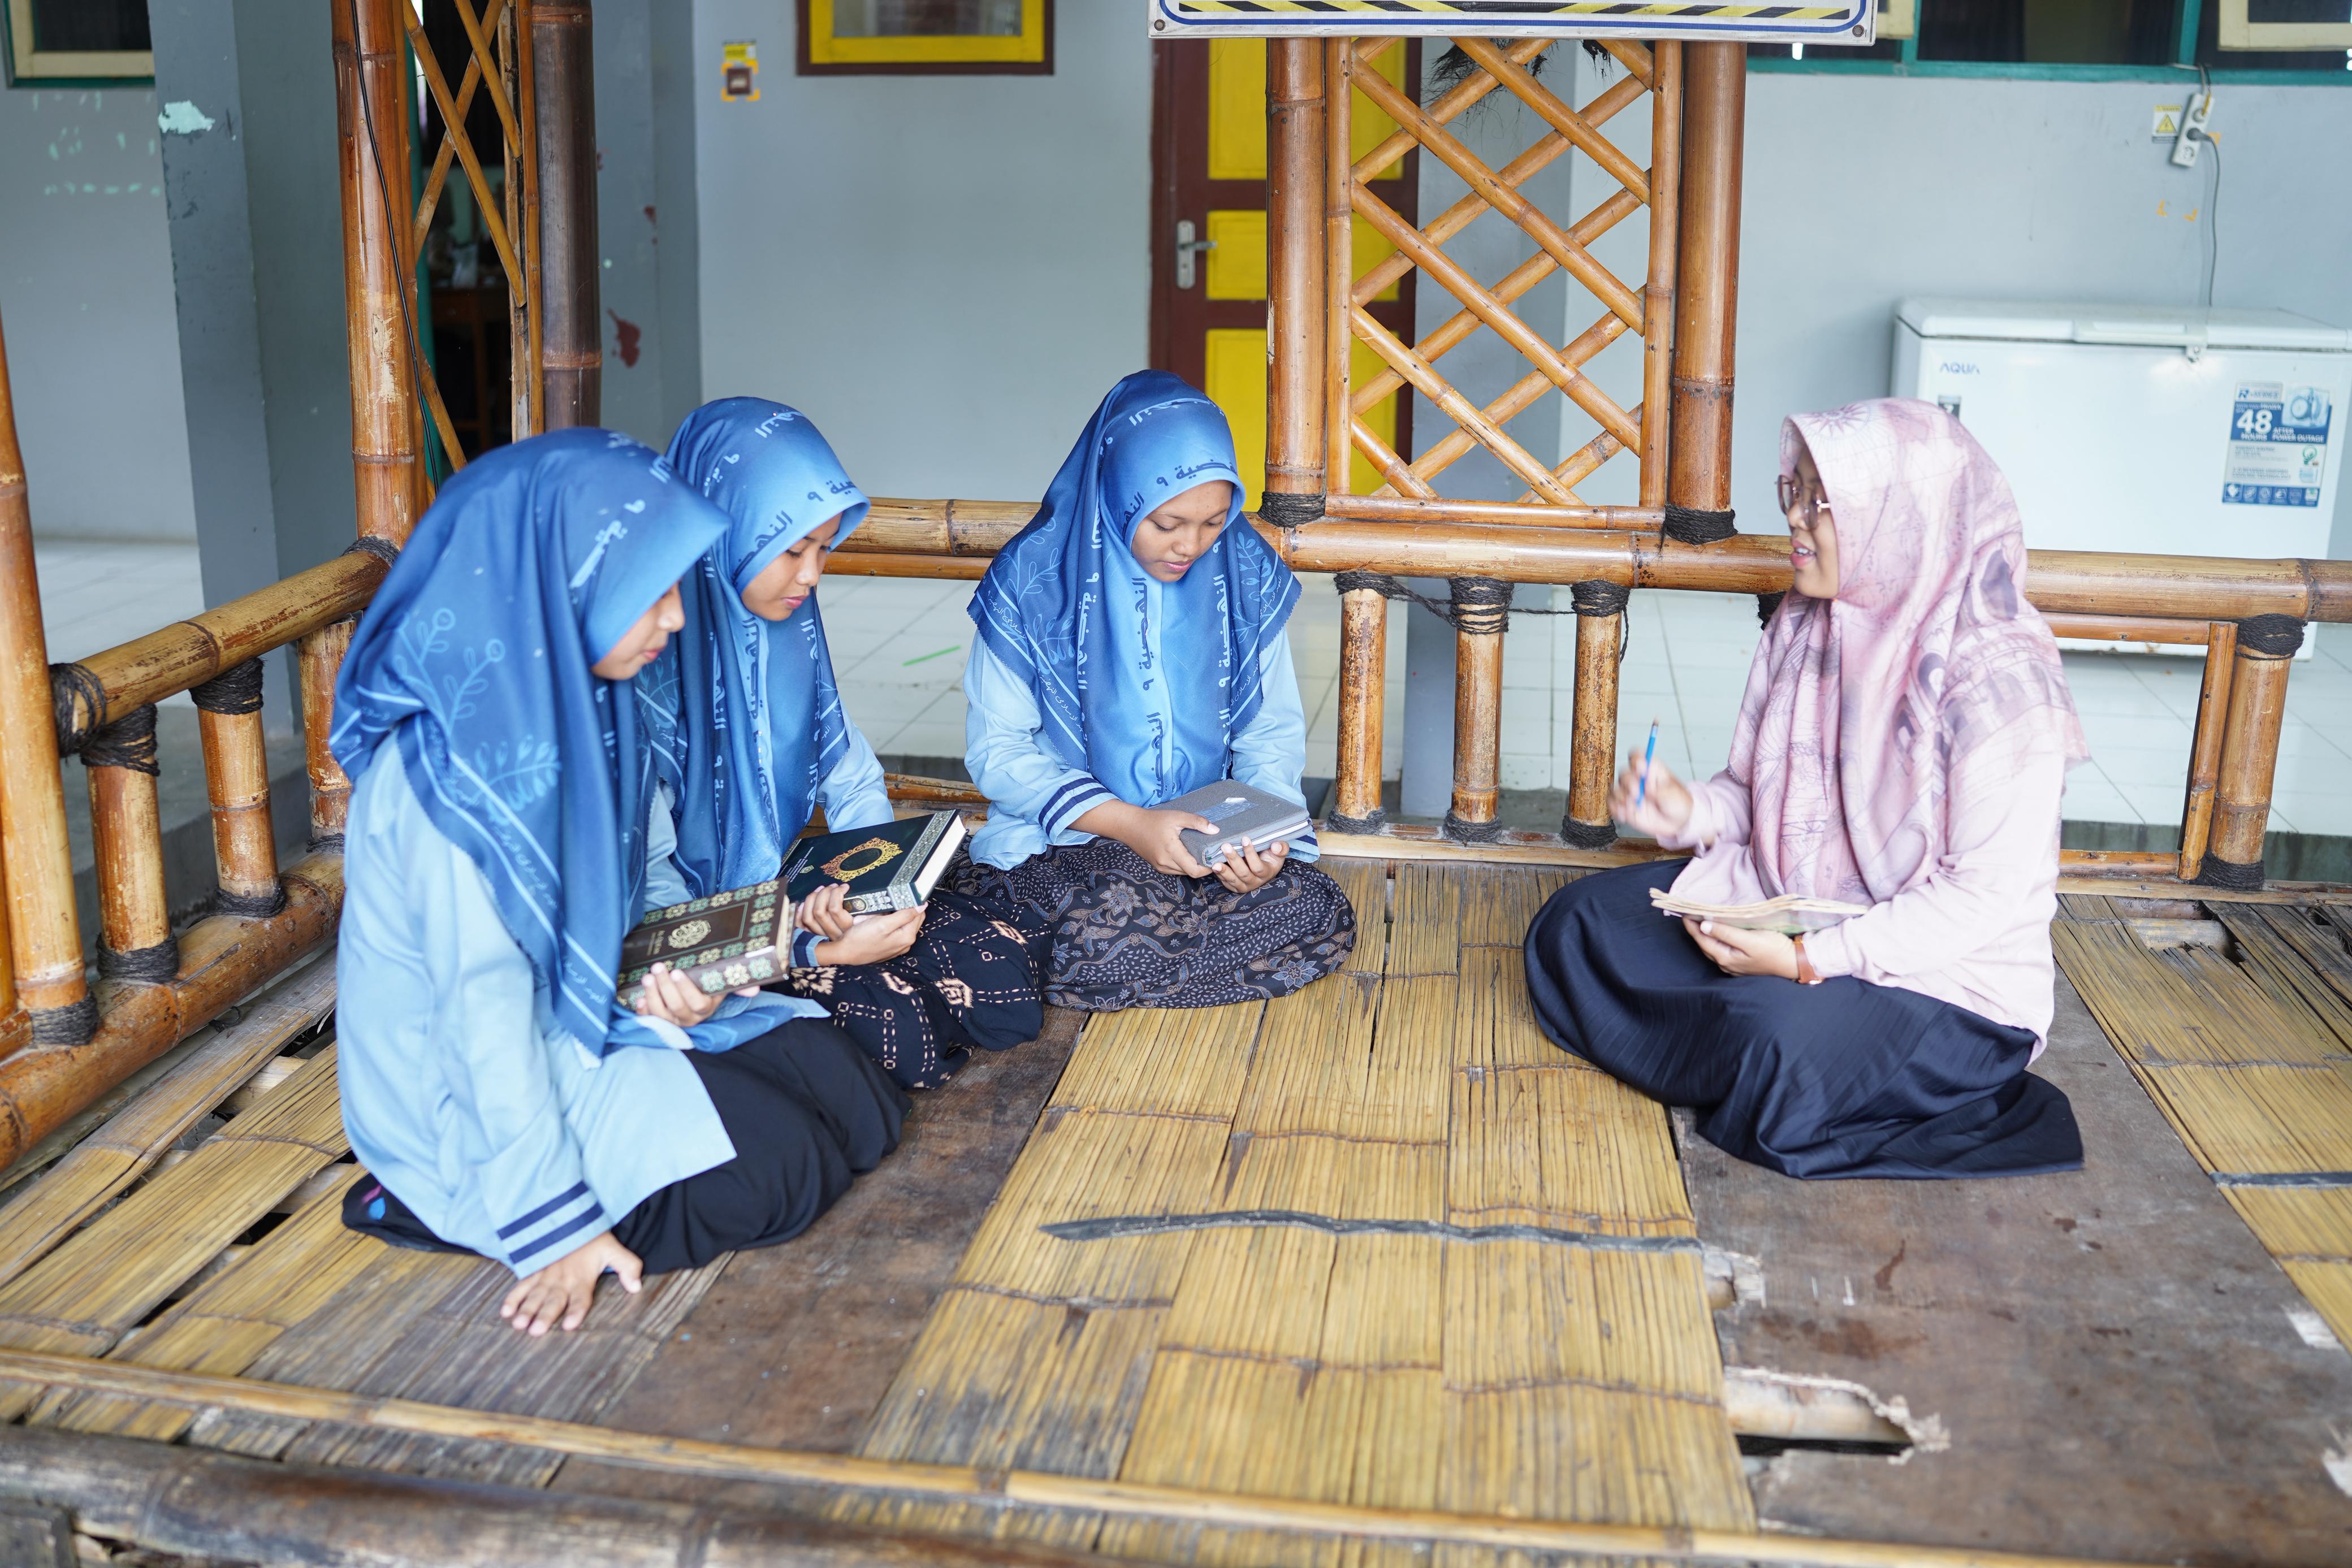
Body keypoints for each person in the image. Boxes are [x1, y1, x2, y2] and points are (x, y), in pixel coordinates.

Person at [332, 428, 907, 1336]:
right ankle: (417, 1198)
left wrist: (671, 989)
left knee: (851, 1092)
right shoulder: (444, 775)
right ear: (564, 583)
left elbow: (627, 900)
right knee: (787, 1170)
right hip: (466, 1080)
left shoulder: (584, 702)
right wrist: (554, 1226)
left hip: (584, 1014)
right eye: (652, 591)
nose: (676, 619)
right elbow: (480, 1015)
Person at [1523, 399, 2087, 1179]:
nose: (1796, 519)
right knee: (1578, 923)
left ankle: (1755, 1038)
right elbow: (1751, 793)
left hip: (1941, 985)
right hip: (1787, 907)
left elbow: (1977, 901)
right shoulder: (1807, 619)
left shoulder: (2002, 684)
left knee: (1777, 1050)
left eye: (1825, 505)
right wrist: (1689, 811)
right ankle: (1738, 1032)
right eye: (1796, 491)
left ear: (1903, 521)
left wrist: (1803, 962)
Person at [642, 397, 1042, 1090]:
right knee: (904, 1035)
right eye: (791, 549)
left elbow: (850, 774)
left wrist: (865, 888)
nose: (811, 576)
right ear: (719, 529)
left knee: (1003, 978)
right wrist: (805, 940)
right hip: (704, 932)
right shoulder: (647, 665)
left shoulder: (789, 628)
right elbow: (653, 891)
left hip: (798, 888)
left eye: (824, 547)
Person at [953, 370, 1355, 1011]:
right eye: (1166, 522)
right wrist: (1132, 824)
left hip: (1208, 840)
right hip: (1078, 847)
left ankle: (1121, 963)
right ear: (1117, 493)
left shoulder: (1241, 567)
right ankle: (1134, 953)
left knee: (1312, 904)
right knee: (1102, 919)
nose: (1190, 546)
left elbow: (1269, 732)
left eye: (1213, 521)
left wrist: (1263, 846)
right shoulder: (1032, 580)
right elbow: (998, 752)